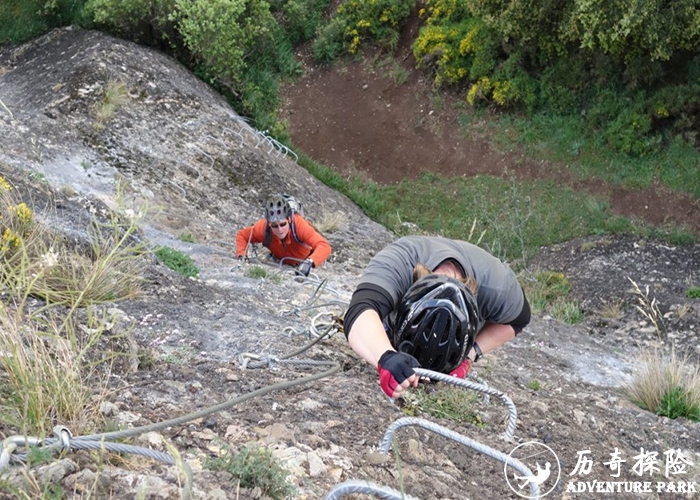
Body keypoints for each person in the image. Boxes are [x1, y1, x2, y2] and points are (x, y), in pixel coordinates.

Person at [344, 235, 530, 398]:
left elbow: (518, 321)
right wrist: (385, 356)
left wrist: (469, 355)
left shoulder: (499, 289)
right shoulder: (398, 263)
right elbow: (360, 310)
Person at [236, 194, 332, 276]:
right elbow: (243, 235)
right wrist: (242, 255)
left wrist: (309, 262)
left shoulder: (299, 225)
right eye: (274, 226)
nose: (280, 229)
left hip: (303, 261)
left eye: (283, 224)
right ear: (269, 224)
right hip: (278, 260)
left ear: (289, 220)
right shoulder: (263, 228)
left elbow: (324, 246)